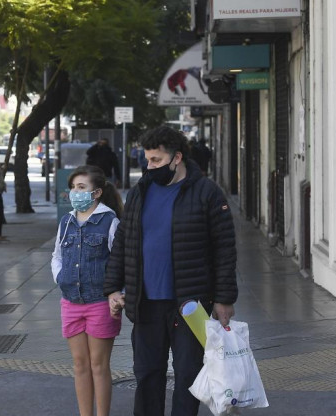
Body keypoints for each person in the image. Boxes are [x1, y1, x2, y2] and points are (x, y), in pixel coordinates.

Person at [103, 125, 237, 416]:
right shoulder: (141, 192)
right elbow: (123, 241)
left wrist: (225, 298)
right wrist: (113, 288)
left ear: (176, 158)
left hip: (190, 304)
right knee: (148, 374)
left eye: (156, 161)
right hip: (146, 302)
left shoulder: (207, 192)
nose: (149, 167)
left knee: (189, 375)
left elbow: (224, 248)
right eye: (147, 160)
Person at [52, 165, 124, 416]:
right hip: (70, 302)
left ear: (96, 192)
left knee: (98, 365)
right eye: (73, 187)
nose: (75, 192)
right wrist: (61, 278)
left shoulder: (109, 220)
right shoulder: (66, 221)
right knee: (80, 364)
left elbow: (120, 260)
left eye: (81, 187)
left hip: (100, 303)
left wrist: (117, 292)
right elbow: (57, 256)